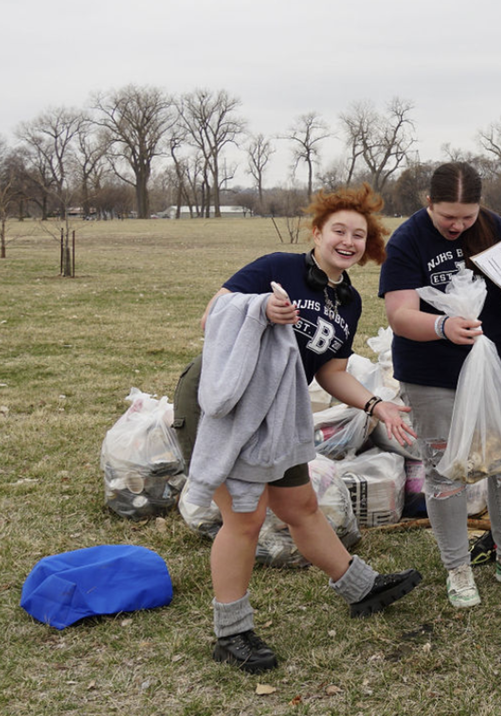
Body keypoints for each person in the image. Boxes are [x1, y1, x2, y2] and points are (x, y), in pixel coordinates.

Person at [179, 184, 423, 675]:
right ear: (316, 232)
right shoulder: (277, 268)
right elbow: (213, 316)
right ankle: (231, 633)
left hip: (276, 415)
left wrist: (378, 406)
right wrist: (261, 312)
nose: (348, 241)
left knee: (300, 505)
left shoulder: (348, 301)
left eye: (359, 234)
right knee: (244, 518)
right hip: (222, 404)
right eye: (339, 230)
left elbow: (331, 372)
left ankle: (360, 589)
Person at [379, 162, 501, 609]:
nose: (458, 226)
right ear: (428, 204)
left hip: (490, 367)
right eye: (448, 218)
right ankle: (457, 568)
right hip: (431, 371)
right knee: (445, 469)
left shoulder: (493, 228)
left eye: (467, 216)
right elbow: (399, 315)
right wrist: (442, 325)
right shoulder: (408, 239)